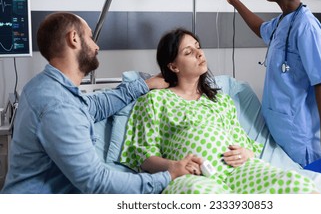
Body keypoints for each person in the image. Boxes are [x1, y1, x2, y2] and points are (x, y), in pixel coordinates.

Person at [1, 12, 199, 194]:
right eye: (90, 37)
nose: (96, 46)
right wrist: (168, 175)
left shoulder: (44, 86)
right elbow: (97, 182)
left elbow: (94, 106)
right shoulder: (58, 106)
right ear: (74, 39)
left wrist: (143, 85)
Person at [120, 28, 318, 194]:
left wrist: (247, 153)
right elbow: (144, 156)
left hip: (238, 172)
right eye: (188, 52)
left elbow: (242, 142)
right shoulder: (155, 100)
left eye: (198, 47)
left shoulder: (220, 100)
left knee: (295, 183)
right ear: (173, 66)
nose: (199, 54)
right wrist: (175, 167)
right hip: (191, 178)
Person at [216, 0, 321, 169]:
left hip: (299, 134)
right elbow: (261, 28)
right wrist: (234, 1)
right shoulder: (284, 21)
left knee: (304, 189)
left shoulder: (307, 27)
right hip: (279, 128)